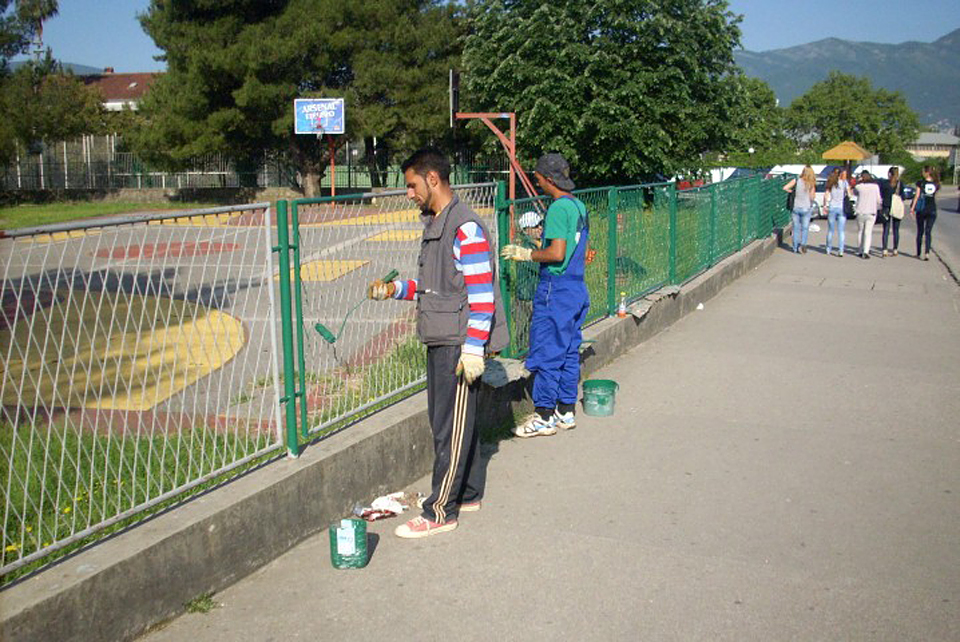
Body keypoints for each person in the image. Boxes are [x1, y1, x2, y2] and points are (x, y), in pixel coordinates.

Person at [367, 147, 508, 538]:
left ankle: (439, 511)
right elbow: (436, 288)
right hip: (444, 337)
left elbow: (482, 297)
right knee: (459, 422)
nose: (409, 193)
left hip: (458, 344)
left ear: (433, 179)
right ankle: (469, 492)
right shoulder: (437, 224)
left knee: (451, 427)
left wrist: (474, 349)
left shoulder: (464, 228)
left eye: (412, 185)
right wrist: (395, 289)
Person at [501, 153, 590, 437]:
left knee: (547, 351)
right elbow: (575, 248)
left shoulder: (556, 209)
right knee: (568, 352)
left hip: (556, 289)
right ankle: (565, 410)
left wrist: (527, 253)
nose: (536, 181)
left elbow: (556, 253)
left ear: (548, 179)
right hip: (577, 288)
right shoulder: (578, 206)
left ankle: (543, 416)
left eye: (537, 176)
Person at [513, 210, 544, 348]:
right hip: (526, 296)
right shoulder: (525, 247)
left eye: (540, 224)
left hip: (535, 293)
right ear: (526, 230)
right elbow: (539, 267)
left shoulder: (538, 244)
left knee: (536, 331)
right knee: (524, 333)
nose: (540, 228)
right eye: (536, 226)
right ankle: (523, 356)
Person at [783, 166, 816, 253]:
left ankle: (795, 247)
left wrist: (791, 191)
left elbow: (785, 187)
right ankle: (803, 244)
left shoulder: (796, 180)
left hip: (796, 207)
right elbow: (812, 197)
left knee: (796, 228)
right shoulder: (811, 183)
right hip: (806, 207)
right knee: (805, 228)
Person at [911, 166, 940, 261]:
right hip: (932, 209)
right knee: (928, 232)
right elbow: (935, 196)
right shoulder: (936, 183)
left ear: (927, 172)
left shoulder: (920, 183)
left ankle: (918, 252)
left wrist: (912, 208)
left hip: (922, 209)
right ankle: (927, 253)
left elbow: (917, 196)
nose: (922, 173)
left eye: (923, 171)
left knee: (920, 231)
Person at [850, 171, 881, 259]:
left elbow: (854, 192)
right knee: (868, 232)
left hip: (860, 211)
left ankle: (860, 250)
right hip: (871, 212)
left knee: (860, 231)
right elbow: (878, 200)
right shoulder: (875, 187)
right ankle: (866, 251)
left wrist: (859, 181)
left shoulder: (859, 187)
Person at [879, 166, 905, 257]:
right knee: (896, 229)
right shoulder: (900, 184)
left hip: (886, 207)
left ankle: (884, 249)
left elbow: (881, 194)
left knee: (886, 229)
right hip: (896, 207)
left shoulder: (885, 183)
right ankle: (895, 249)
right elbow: (903, 196)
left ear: (889, 174)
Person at [822, 168, 849, 256]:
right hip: (841, 207)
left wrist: (825, 206)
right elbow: (849, 194)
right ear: (840, 174)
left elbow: (826, 195)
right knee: (841, 231)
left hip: (832, 207)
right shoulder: (844, 183)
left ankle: (828, 249)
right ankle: (841, 250)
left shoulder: (830, 183)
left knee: (830, 230)